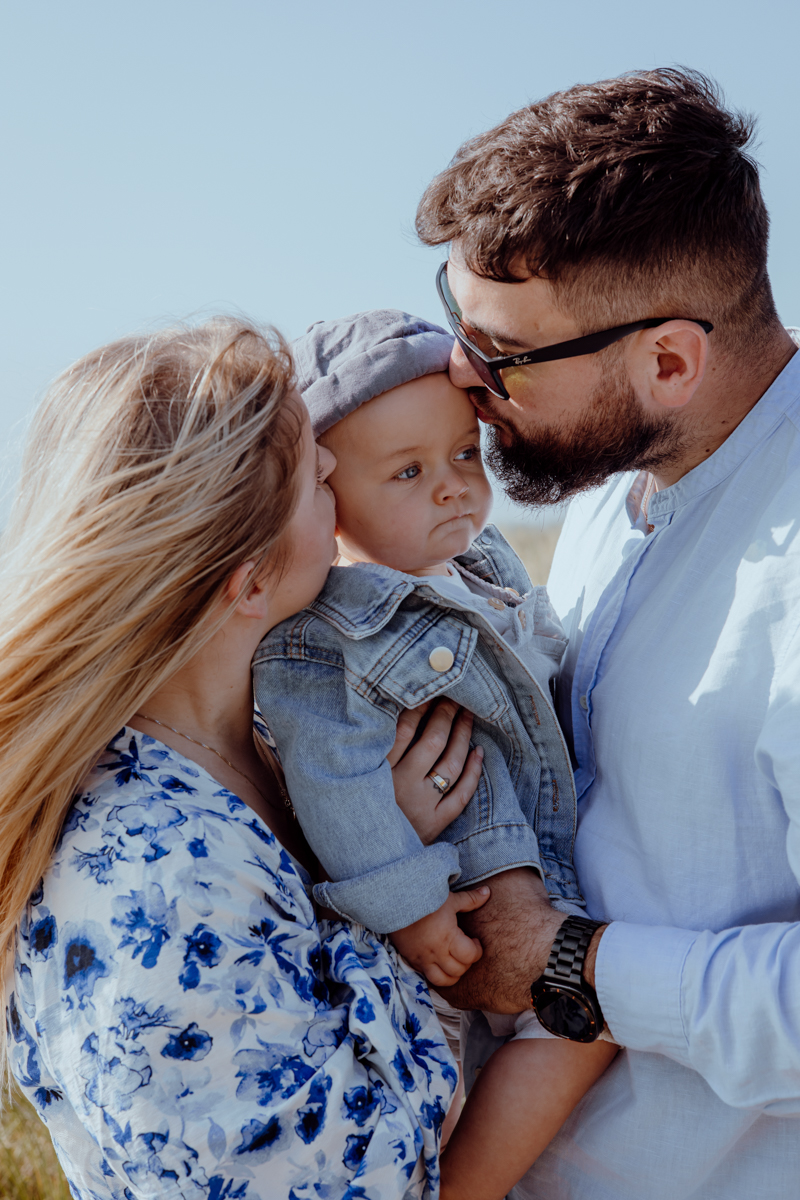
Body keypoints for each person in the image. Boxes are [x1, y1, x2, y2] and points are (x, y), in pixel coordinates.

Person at [414, 66, 800, 1198]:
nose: (457, 376)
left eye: (502, 356)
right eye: (456, 323)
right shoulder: (606, 481)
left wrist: (571, 967)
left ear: (668, 361)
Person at [0, 317, 490, 1200]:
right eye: (317, 479)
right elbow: (358, 1179)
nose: (343, 481)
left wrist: (366, 834)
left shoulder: (268, 739)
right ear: (252, 579)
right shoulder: (147, 878)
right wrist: (385, 887)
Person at [252, 309, 616, 1194]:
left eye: (463, 456)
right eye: (408, 472)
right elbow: (331, 774)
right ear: (330, 497)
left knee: (582, 1034)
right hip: (463, 891)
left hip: (543, 858)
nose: (454, 488)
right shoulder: (327, 633)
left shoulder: (481, 562)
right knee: (570, 1030)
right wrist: (412, 908)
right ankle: (467, 1187)